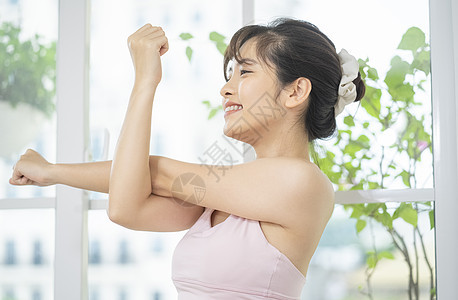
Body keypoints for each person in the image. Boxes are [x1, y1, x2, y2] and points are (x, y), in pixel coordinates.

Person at [10, 17, 365, 299]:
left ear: (295, 91)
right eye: (229, 74)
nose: (226, 88)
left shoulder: (303, 183)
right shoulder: (227, 195)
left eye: (245, 71)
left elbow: (155, 173)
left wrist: (146, 81)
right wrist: (51, 171)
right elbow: (129, 203)